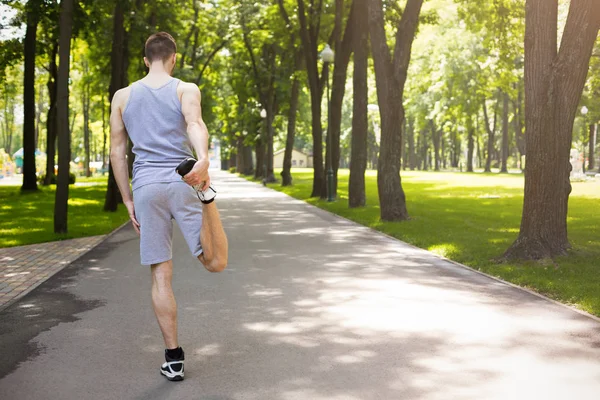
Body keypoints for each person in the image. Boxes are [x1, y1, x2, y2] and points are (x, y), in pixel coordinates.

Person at [109, 32, 228, 382]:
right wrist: (202, 159)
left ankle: (173, 359)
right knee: (215, 262)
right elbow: (194, 123)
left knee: (161, 274)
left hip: (145, 187)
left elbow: (118, 152)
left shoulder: (123, 96)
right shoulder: (186, 89)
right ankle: (208, 199)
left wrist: (128, 199)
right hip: (183, 180)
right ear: (173, 58)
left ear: (146, 60)